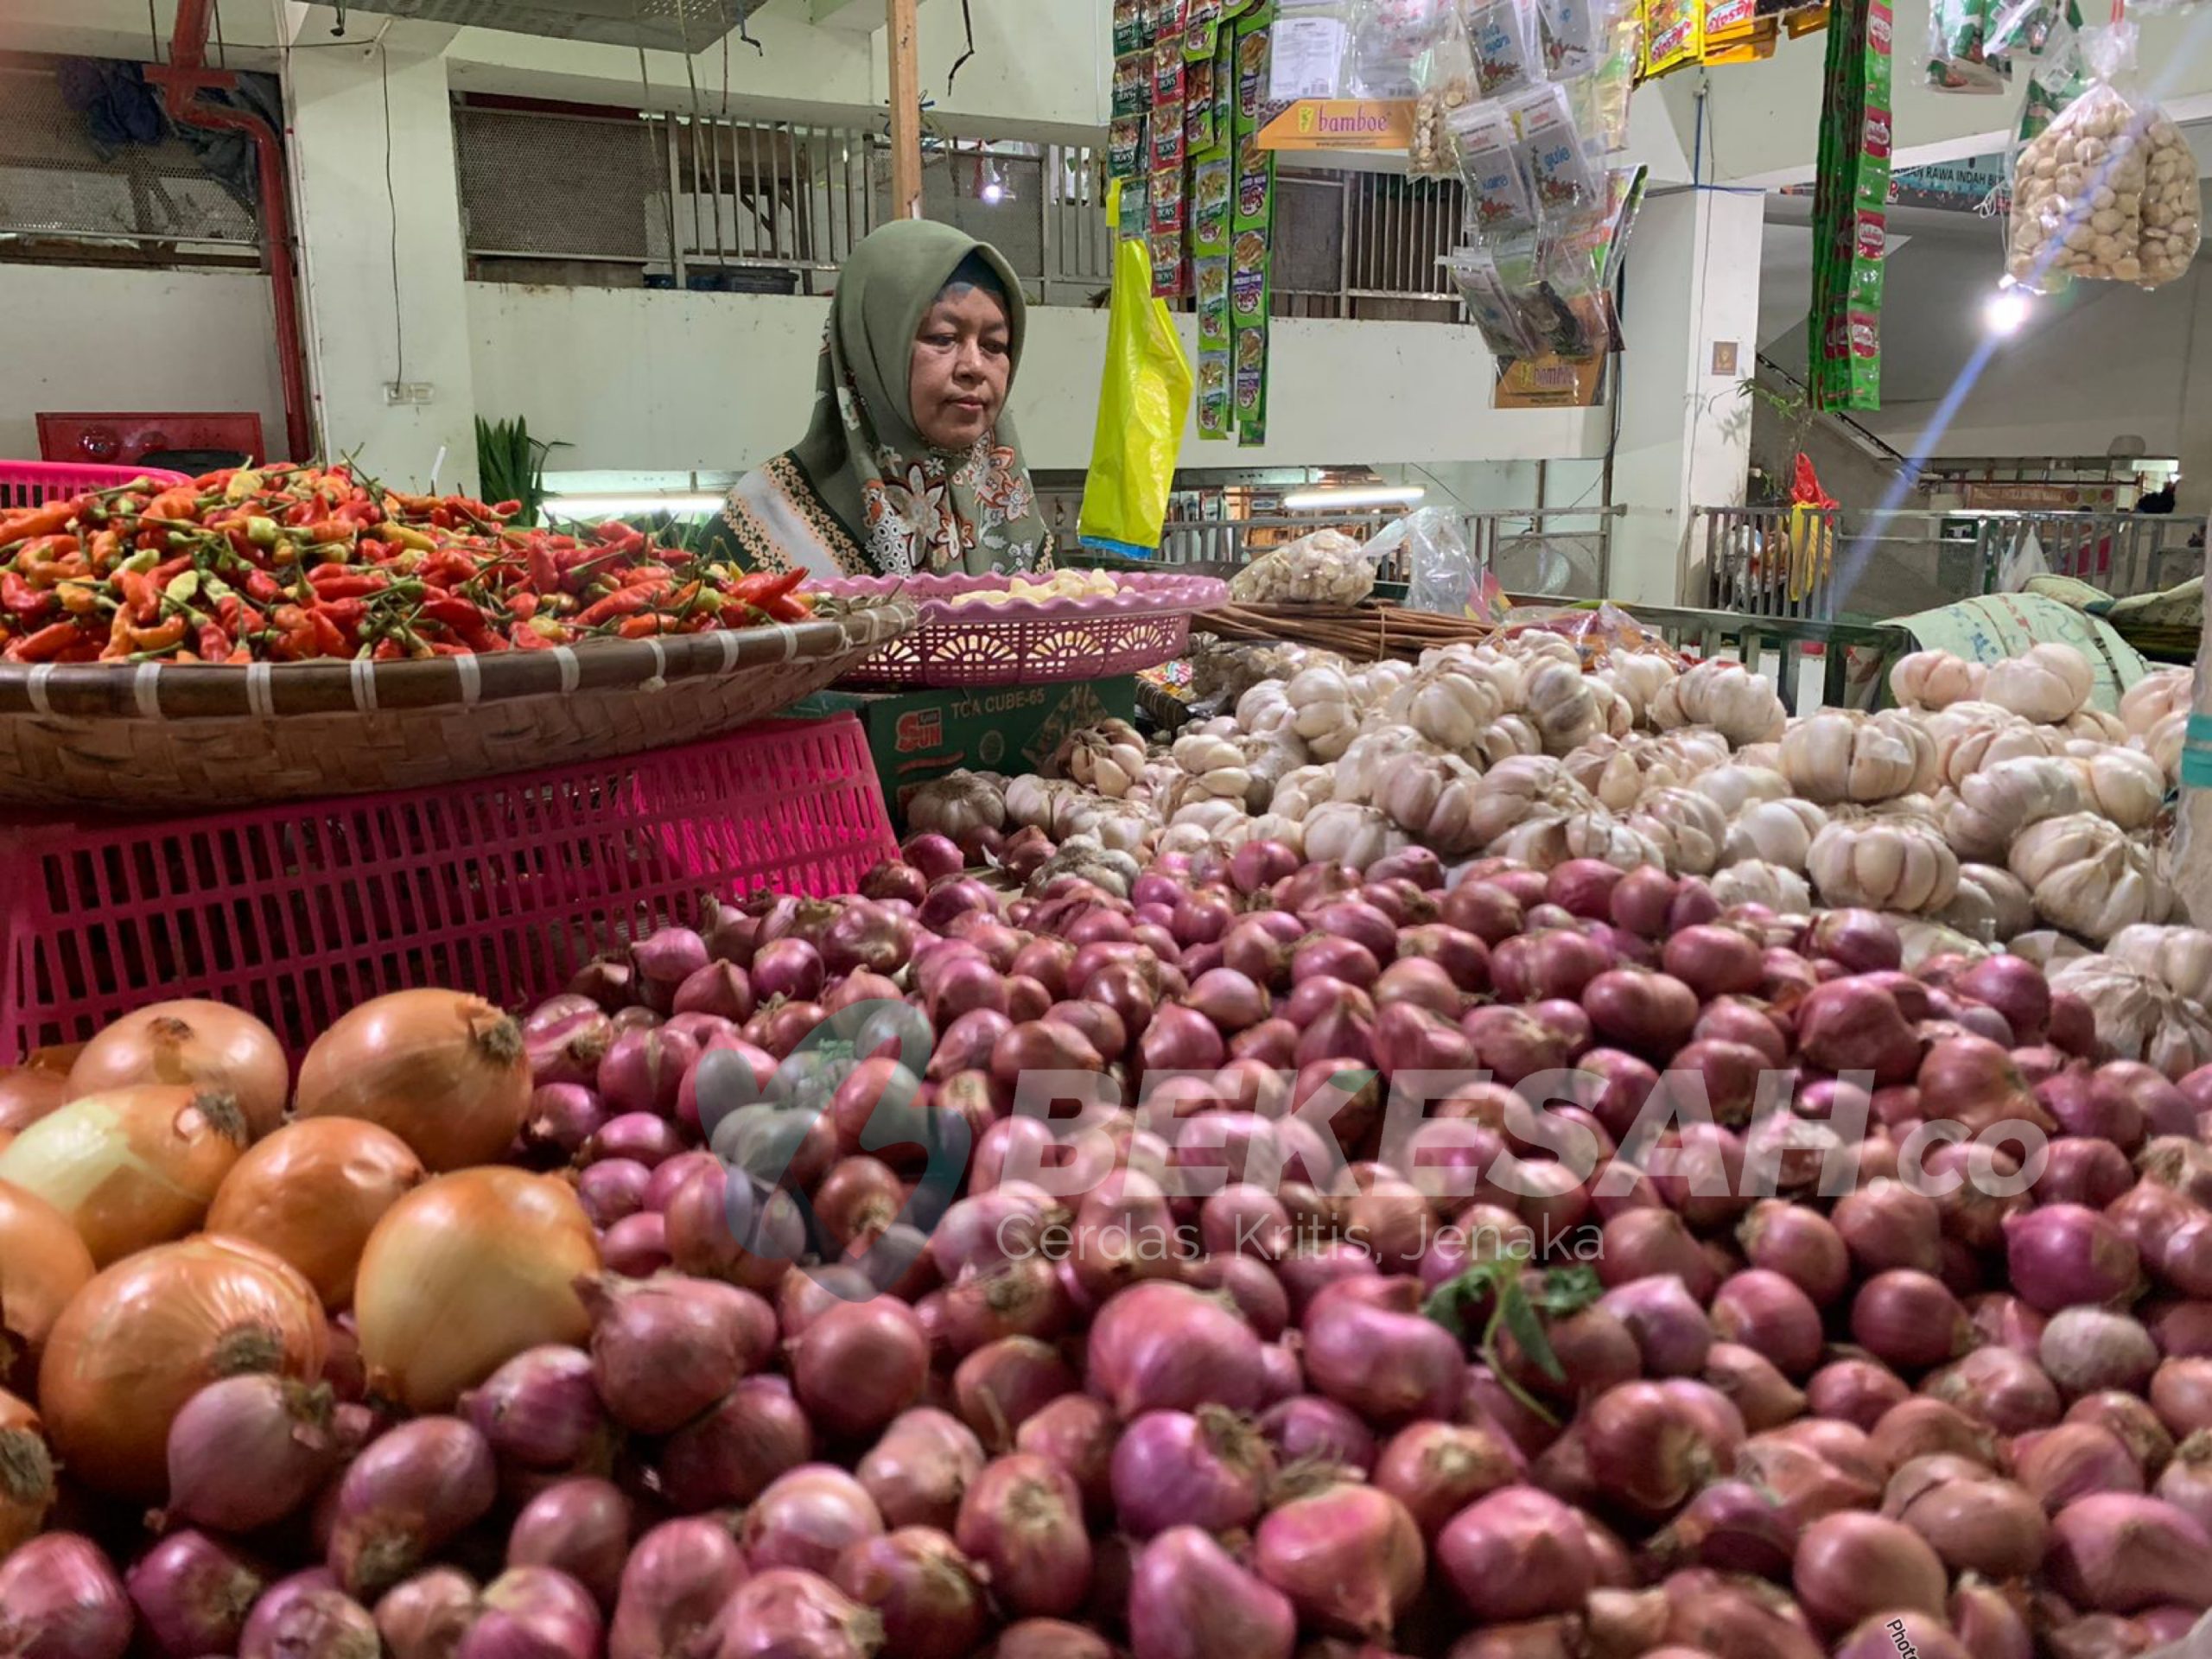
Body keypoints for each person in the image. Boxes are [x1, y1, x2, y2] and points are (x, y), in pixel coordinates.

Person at [703, 220, 1052, 577]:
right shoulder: (767, 528)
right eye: (943, 338)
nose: (974, 367)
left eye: (994, 346)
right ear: (871, 349)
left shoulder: (1012, 517)